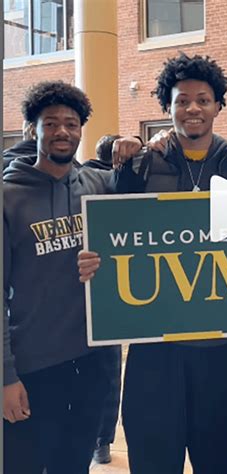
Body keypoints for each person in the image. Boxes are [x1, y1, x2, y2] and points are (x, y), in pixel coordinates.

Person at [78, 52, 227, 474]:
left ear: (218, 105)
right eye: (182, 101)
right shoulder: (139, 167)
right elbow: (104, 221)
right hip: (152, 354)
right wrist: (94, 262)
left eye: (203, 99)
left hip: (221, 354)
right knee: (153, 462)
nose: (193, 108)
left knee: (217, 461)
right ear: (167, 107)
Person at [3, 80, 115, 474]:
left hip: (88, 366)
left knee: (73, 466)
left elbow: (144, 227)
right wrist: (5, 377)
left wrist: (134, 145)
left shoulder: (97, 185)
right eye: (50, 123)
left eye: (71, 123)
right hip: (32, 369)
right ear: (32, 129)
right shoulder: (7, 198)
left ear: (82, 129)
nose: (62, 132)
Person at [84, 134, 124, 464]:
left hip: (97, 301)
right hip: (106, 303)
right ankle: (102, 441)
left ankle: (97, 441)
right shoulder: (98, 184)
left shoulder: (86, 181)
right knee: (109, 377)